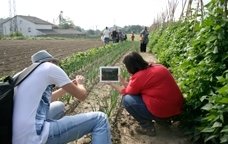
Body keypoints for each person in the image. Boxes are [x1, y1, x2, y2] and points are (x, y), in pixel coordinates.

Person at [13, 50, 112, 144]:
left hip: (15, 136)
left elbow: (46, 99)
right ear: (51, 62)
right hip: (34, 137)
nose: (57, 66)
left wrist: (65, 88)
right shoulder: (49, 67)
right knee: (100, 118)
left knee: (59, 105)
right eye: (56, 63)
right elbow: (82, 96)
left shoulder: (22, 74)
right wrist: (80, 83)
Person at [108, 52, 184, 136]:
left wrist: (110, 83)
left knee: (127, 99)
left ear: (130, 67)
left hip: (162, 111)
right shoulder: (159, 67)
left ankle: (148, 127)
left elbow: (125, 91)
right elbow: (132, 87)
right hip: (177, 108)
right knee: (136, 94)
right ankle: (165, 121)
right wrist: (121, 79)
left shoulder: (139, 76)